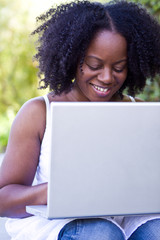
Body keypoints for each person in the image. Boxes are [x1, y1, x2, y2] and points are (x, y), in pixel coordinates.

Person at [0, 0, 160, 239]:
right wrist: (54, 192)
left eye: (119, 67)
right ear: (74, 58)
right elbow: (4, 199)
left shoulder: (143, 113)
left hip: (127, 216)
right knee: (101, 234)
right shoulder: (39, 113)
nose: (106, 77)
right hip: (57, 222)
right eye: (94, 65)